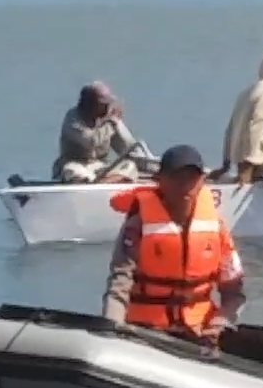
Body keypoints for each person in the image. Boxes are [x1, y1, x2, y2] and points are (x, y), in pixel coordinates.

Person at [102, 145, 245, 345]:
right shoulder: (138, 223)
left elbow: (234, 293)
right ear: (160, 180)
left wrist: (219, 323)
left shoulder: (215, 226)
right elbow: (119, 284)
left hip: (200, 332)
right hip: (148, 330)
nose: (185, 185)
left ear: (202, 181)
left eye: (192, 178)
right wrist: (112, 328)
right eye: (177, 177)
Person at [211, 49, 263, 185]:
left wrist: (226, 164)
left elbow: (230, 130)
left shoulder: (246, 93)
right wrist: (247, 168)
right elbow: (256, 127)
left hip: (241, 161)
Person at [53, 81, 150, 184]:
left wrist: (149, 163)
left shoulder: (109, 119)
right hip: (75, 164)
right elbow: (90, 142)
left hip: (98, 166)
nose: (108, 107)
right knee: (72, 171)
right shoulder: (73, 118)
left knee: (129, 165)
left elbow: (128, 147)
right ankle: (93, 183)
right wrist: (111, 124)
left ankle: (103, 182)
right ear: (88, 103)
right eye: (103, 104)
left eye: (108, 104)